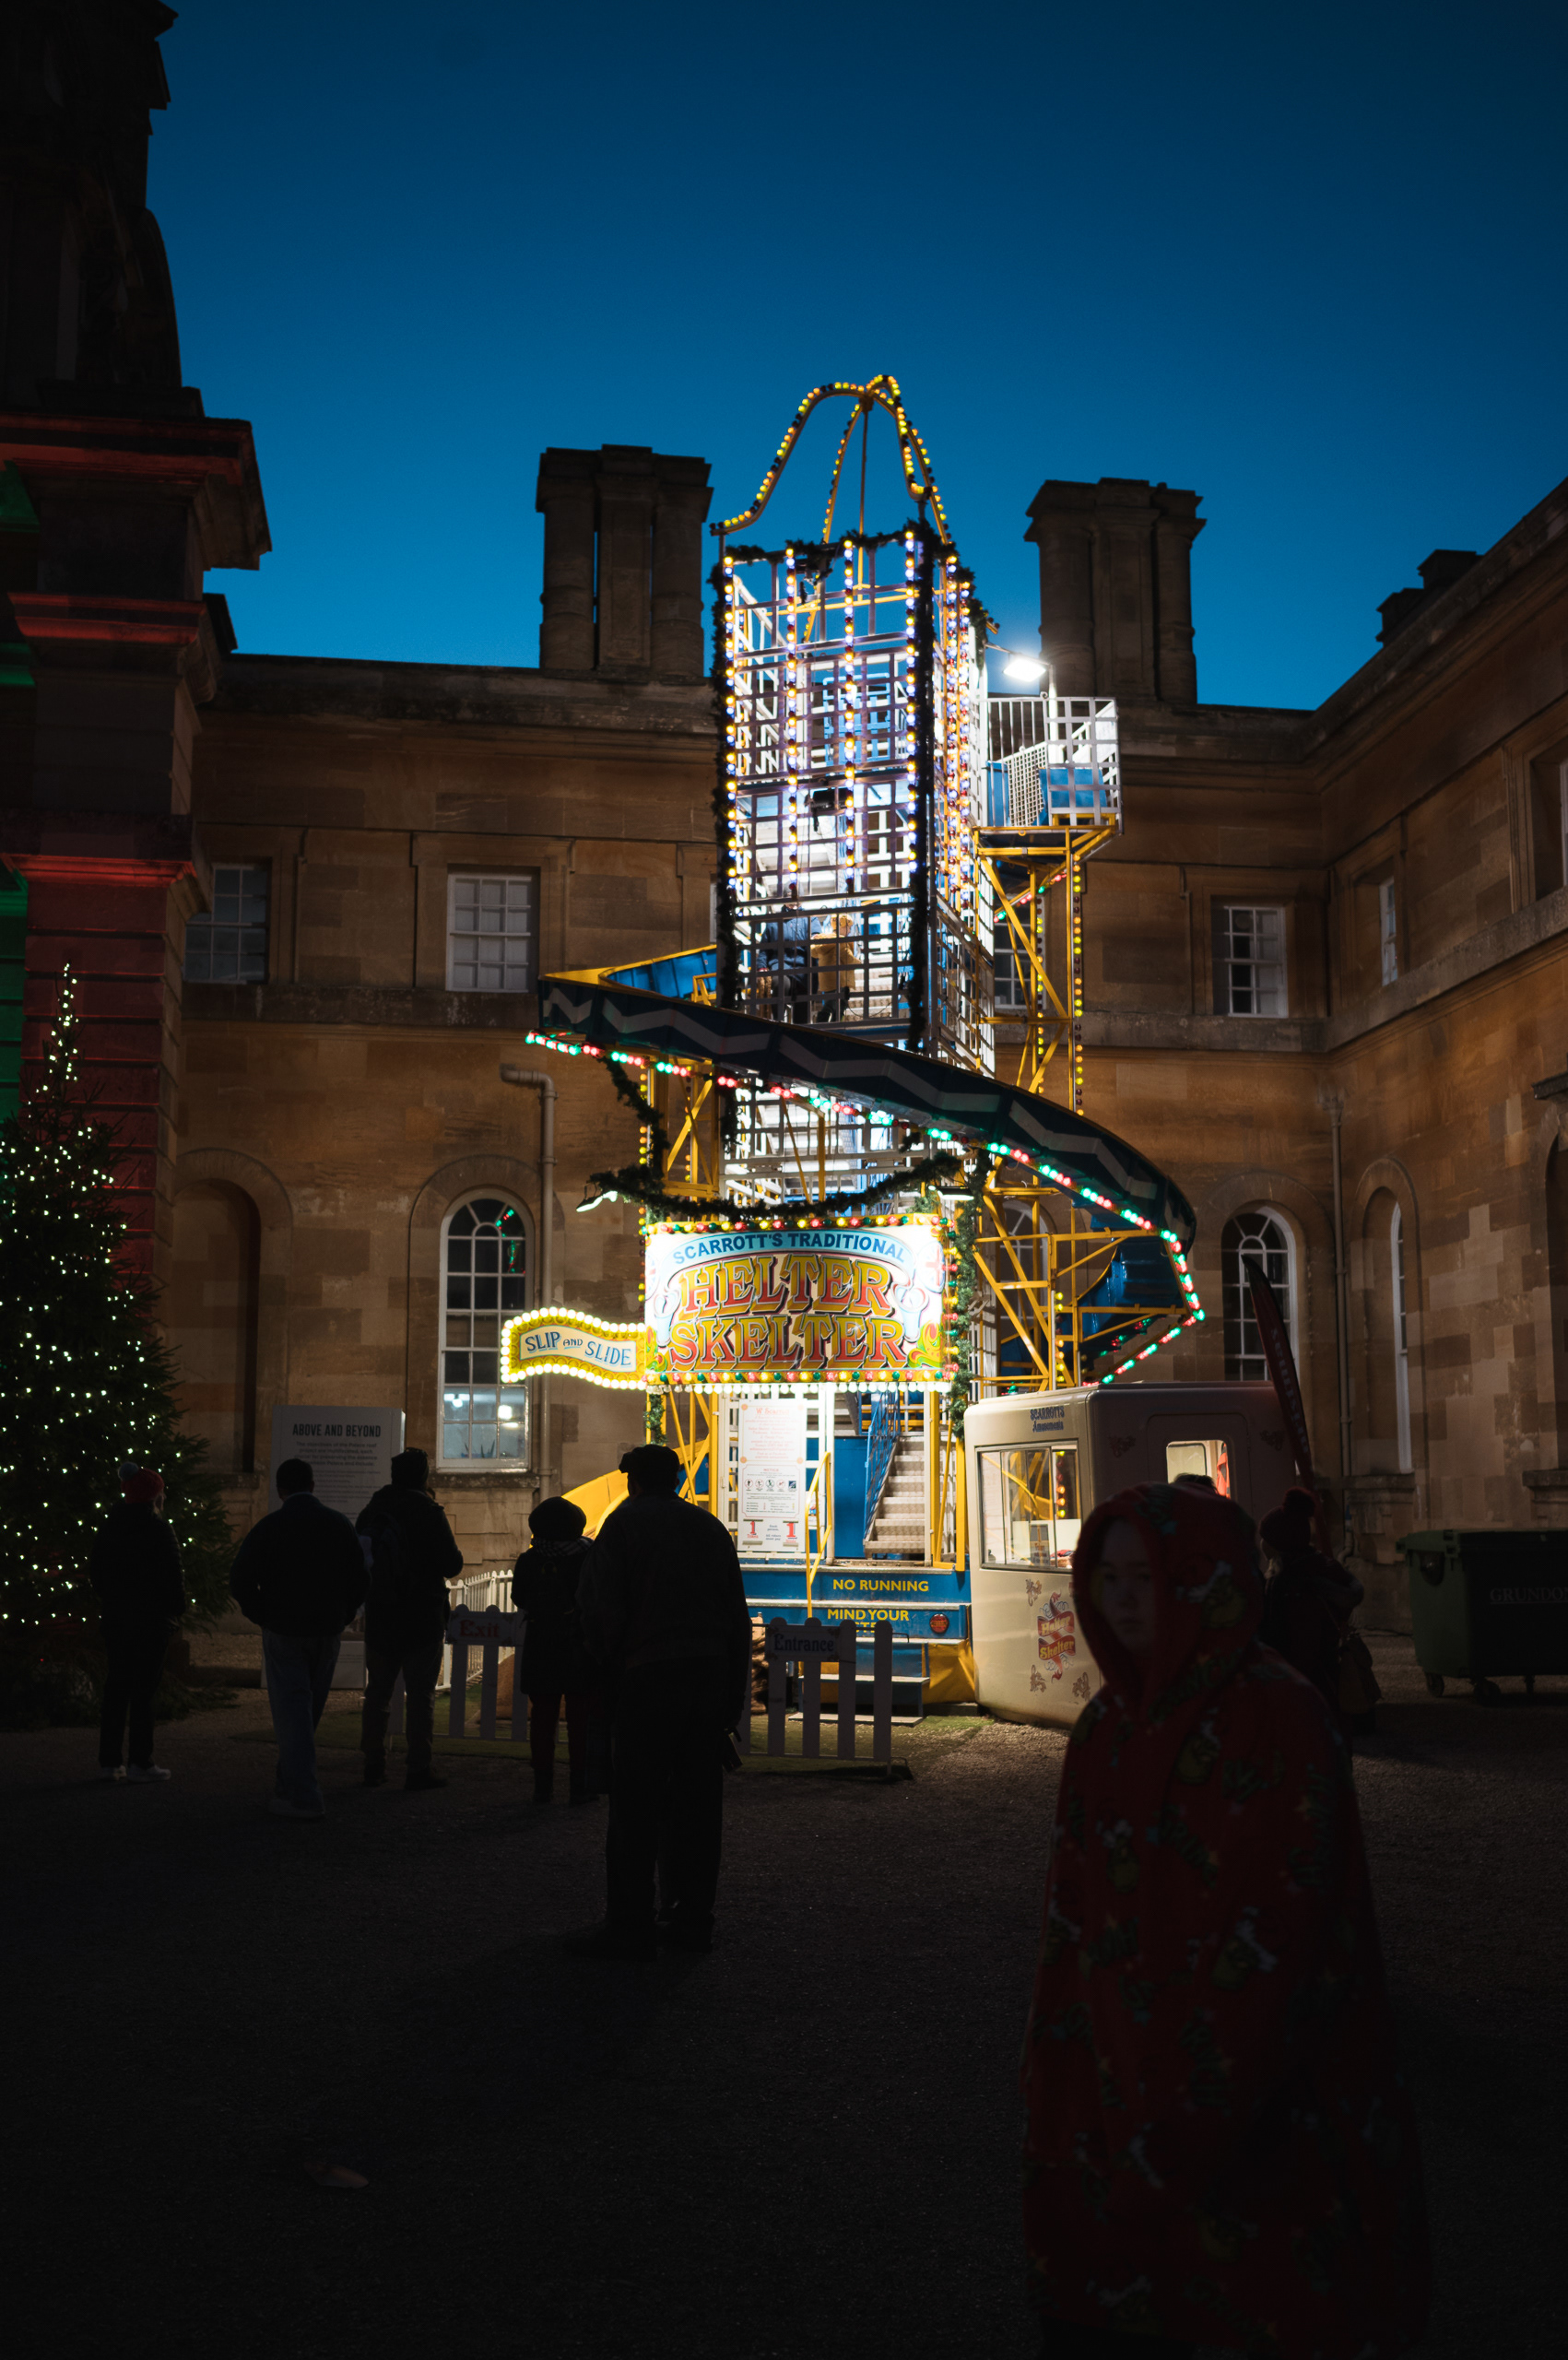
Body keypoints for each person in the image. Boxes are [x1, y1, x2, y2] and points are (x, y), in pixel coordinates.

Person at [1021, 1481, 1428, 2360]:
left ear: (1202, 1581)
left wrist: (1191, 2108)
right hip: (1117, 2099)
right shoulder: (1106, 1724)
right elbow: (1072, 1919)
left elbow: (1284, 1934)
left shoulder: (1277, 1717)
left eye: (1148, 1576)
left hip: (1260, 2118)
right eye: (1109, 1576)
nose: (1123, 1598)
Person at [572, 1442, 752, 1959]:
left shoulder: (624, 1524)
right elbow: (736, 1615)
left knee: (636, 1806)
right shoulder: (709, 1527)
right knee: (697, 1806)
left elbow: (600, 1607)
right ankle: (692, 1917)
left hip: (646, 1679)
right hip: (707, 1680)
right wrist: (732, 1695)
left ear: (632, 1480)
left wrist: (606, 1670)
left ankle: (630, 1922)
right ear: (675, 1478)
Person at [231, 1457, 366, 1820]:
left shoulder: (271, 1526)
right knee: (307, 1711)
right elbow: (359, 1579)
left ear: (280, 1489)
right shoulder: (337, 1524)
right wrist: (344, 1614)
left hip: (286, 1629)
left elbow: (241, 1579)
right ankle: (290, 1782)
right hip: (326, 1629)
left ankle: (304, 1794)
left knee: (293, 1712)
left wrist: (263, 1616)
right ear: (313, 1485)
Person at [356, 1446, 463, 1793]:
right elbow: (452, 1564)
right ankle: (418, 1766)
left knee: (378, 1693)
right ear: (423, 1475)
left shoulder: (374, 1509)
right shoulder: (429, 1511)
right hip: (421, 1613)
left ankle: (373, 1763)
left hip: (383, 1610)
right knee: (420, 1695)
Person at [88, 1465, 186, 1784]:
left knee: (116, 1688)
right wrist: (175, 1610)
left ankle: (109, 1762)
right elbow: (173, 1578)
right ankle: (140, 1762)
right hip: (151, 1621)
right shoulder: (159, 1530)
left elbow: (97, 1575)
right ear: (155, 1497)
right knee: (145, 1692)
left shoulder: (110, 1527)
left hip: (118, 1619)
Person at [1259, 1485, 1380, 1729]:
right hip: (1328, 1662)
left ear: (1279, 1543)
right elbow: (1348, 1595)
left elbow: (1276, 1632)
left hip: (1298, 1672)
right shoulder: (1323, 1566)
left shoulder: (1282, 1581)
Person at [511, 1495, 598, 1805]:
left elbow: (520, 1597)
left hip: (541, 1646)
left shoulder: (531, 1559)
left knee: (543, 1719)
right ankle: (580, 1785)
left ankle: (542, 1786)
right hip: (579, 1648)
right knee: (580, 1720)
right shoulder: (589, 1557)